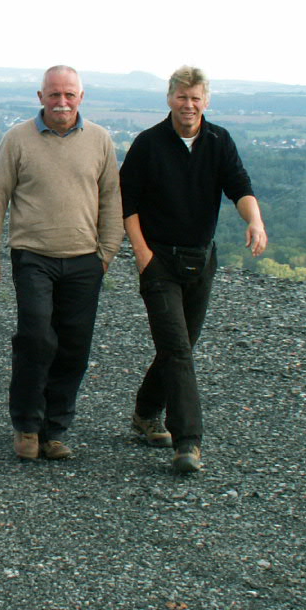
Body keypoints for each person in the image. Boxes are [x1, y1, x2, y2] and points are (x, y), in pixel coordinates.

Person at [118, 65, 267, 473]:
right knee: (178, 350)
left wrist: (255, 221)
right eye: (182, 97)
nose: (189, 105)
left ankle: (144, 413)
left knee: (179, 346)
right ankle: (188, 442)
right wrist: (142, 255)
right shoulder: (148, 144)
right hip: (159, 261)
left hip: (201, 260)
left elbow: (239, 186)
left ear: (206, 101)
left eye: (195, 98)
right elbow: (126, 202)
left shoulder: (219, 141)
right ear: (170, 98)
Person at [0, 65, 123, 461]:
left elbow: (111, 198)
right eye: (54, 94)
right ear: (40, 97)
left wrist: (106, 252)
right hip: (33, 256)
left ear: (81, 97)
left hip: (84, 260)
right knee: (36, 339)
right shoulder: (17, 139)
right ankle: (27, 425)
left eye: (69, 94)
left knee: (74, 347)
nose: (62, 102)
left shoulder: (100, 140)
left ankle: (54, 430)